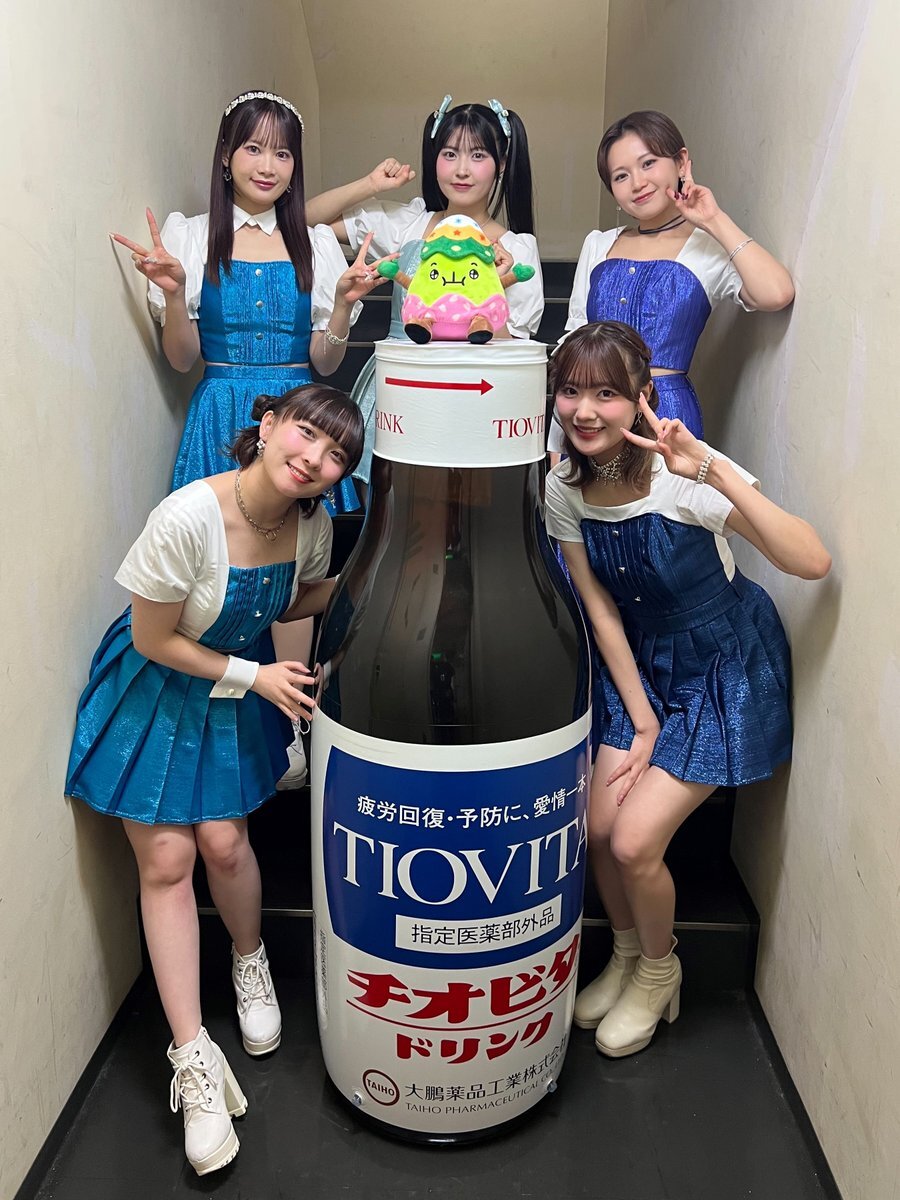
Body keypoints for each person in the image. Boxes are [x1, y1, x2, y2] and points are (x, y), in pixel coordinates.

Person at [66, 385, 364, 1175]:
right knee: (168, 861)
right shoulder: (187, 515)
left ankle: (248, 958)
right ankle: (193, 1060)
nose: (315, 459)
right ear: (267, 426)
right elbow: (152, 637)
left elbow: (291, 600)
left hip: (231, 688)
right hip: (159, 687)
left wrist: (373, 575)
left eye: (337, 454)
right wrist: (256, 677)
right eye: (305, 433)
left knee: (227, 845)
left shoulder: (310, 524)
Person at [544, 322, 830, 1058]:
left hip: (719, 665)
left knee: (634, 841)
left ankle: (658, 970)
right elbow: (600, 607)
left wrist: (709, 468)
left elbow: (810, 560)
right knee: (596, 829)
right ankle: (627, 955)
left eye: (606, 394)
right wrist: (641, 721)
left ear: (643, 397)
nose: (584, 411)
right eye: (570, 390)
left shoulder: (683, 476)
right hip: (640, 666)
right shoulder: (563, 484)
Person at [112, 91, 389, 786]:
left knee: (288, 569)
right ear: (226, 156)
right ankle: (210, 724)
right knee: (217, 568)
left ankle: (288, 724)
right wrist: (173, 293)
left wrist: (344, 309)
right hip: (221, 408)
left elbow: (325, 361)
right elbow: (182, 359)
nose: (268, 165)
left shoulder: (314, 241)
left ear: (297, 166)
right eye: (254, 148)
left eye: (284, 152)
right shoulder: (192, 236)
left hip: (297, 417)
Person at [305, 96, 544, 502]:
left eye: (478, 155)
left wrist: (494, 285)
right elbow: (305, 220)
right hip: (399, 388)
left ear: (502, 163)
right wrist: (370, 185)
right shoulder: (407, 224)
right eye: (449, 154)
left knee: (455, 523)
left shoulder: (517, 249)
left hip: (473, 398)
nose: (462, 169)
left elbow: (513, 354)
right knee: (387, 518)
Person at [549, 110, 794, 451]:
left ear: (681, 163)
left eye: (648, 163)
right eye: (621, 176)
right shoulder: (598, 245)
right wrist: (558, 444)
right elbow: (573, 344)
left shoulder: (708, 247)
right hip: (593, 419)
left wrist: (714, 219)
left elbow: (776, 293)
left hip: (669, 421)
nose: (637, 183)